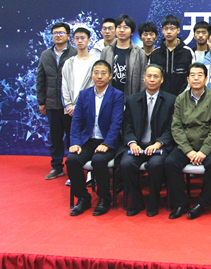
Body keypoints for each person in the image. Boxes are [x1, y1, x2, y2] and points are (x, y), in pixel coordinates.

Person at [164, 63, 211, 220]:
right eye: (192, 75)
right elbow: (176, 127)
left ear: (206, 79)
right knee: (170, 162)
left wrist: (203, 152)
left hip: (208, 146)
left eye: (200, 75)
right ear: (188, 79)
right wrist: (188, 151)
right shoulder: (180, 99)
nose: (196, 78)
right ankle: (181, 203)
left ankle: (202, 204)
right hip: (187, 146)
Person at [66, 60, 124, 216]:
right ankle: (83, 198)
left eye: (103, 73)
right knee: (72, 160)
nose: (99, 76)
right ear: (91, 75)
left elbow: (116, 123)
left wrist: (107, 143)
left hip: (108, 141)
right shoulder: (84, 95)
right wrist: (75, 142)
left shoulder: (117, 95)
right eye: (96, 73)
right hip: (88, 140)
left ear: (110, 76)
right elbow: (76, 121)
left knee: (99, 160)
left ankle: (104, 199)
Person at [119, 64, 177, 217]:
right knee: (126, 164)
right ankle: (137, 201)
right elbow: (127, 126)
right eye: (149, 76)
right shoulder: (132, 100)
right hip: (137, 145)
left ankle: (153, 201)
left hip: (159, 146)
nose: (152, 79)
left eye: (155, 76)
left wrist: (158, 143)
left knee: (156, 164)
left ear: (162, 80)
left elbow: (172, 127)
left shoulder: (171, 100)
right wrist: (132, 143)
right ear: (143, 78)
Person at [36, 21, 77, 180]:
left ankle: (73, 168)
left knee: (72, 138)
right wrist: (42, 101)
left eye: (61, 33)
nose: (58, 36)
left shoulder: (75, 53)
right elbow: (41, 78)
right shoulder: (46, 55)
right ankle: (57, 167)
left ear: (68, 35)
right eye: (55, 33)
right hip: (52, 104)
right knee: (55, 138)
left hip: (71, 105)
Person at [100, 14, 146, 97]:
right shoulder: (106, 51)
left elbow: (143, 78)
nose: (121, 30)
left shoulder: (140, 53)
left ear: (132, 32)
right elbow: (101, 74)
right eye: (119, 27)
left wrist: (139, 98)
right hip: (109, 97)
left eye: (125, 27)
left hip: (131, 97)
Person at [149, 15, 194, 96]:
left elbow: (192, 76)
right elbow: (150, 77)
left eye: (172, 28)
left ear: (178, 30)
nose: (169, 32)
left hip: (182, 98)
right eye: (166, 28)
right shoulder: (155, 53)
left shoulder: (187, 52)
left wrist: (181, 96)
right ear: (162, 30)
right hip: (159, 98)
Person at [62, 27, 98, 119]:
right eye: (77, 38)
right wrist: (69, 105)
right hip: (70, 110)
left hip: (88, 108)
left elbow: (95, 86)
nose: (80, 41)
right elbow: (64, 85)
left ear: (89, 40)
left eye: (82, 38)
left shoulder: (96, 63)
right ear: (73, 41)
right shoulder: (68, 63)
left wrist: (79, 106)